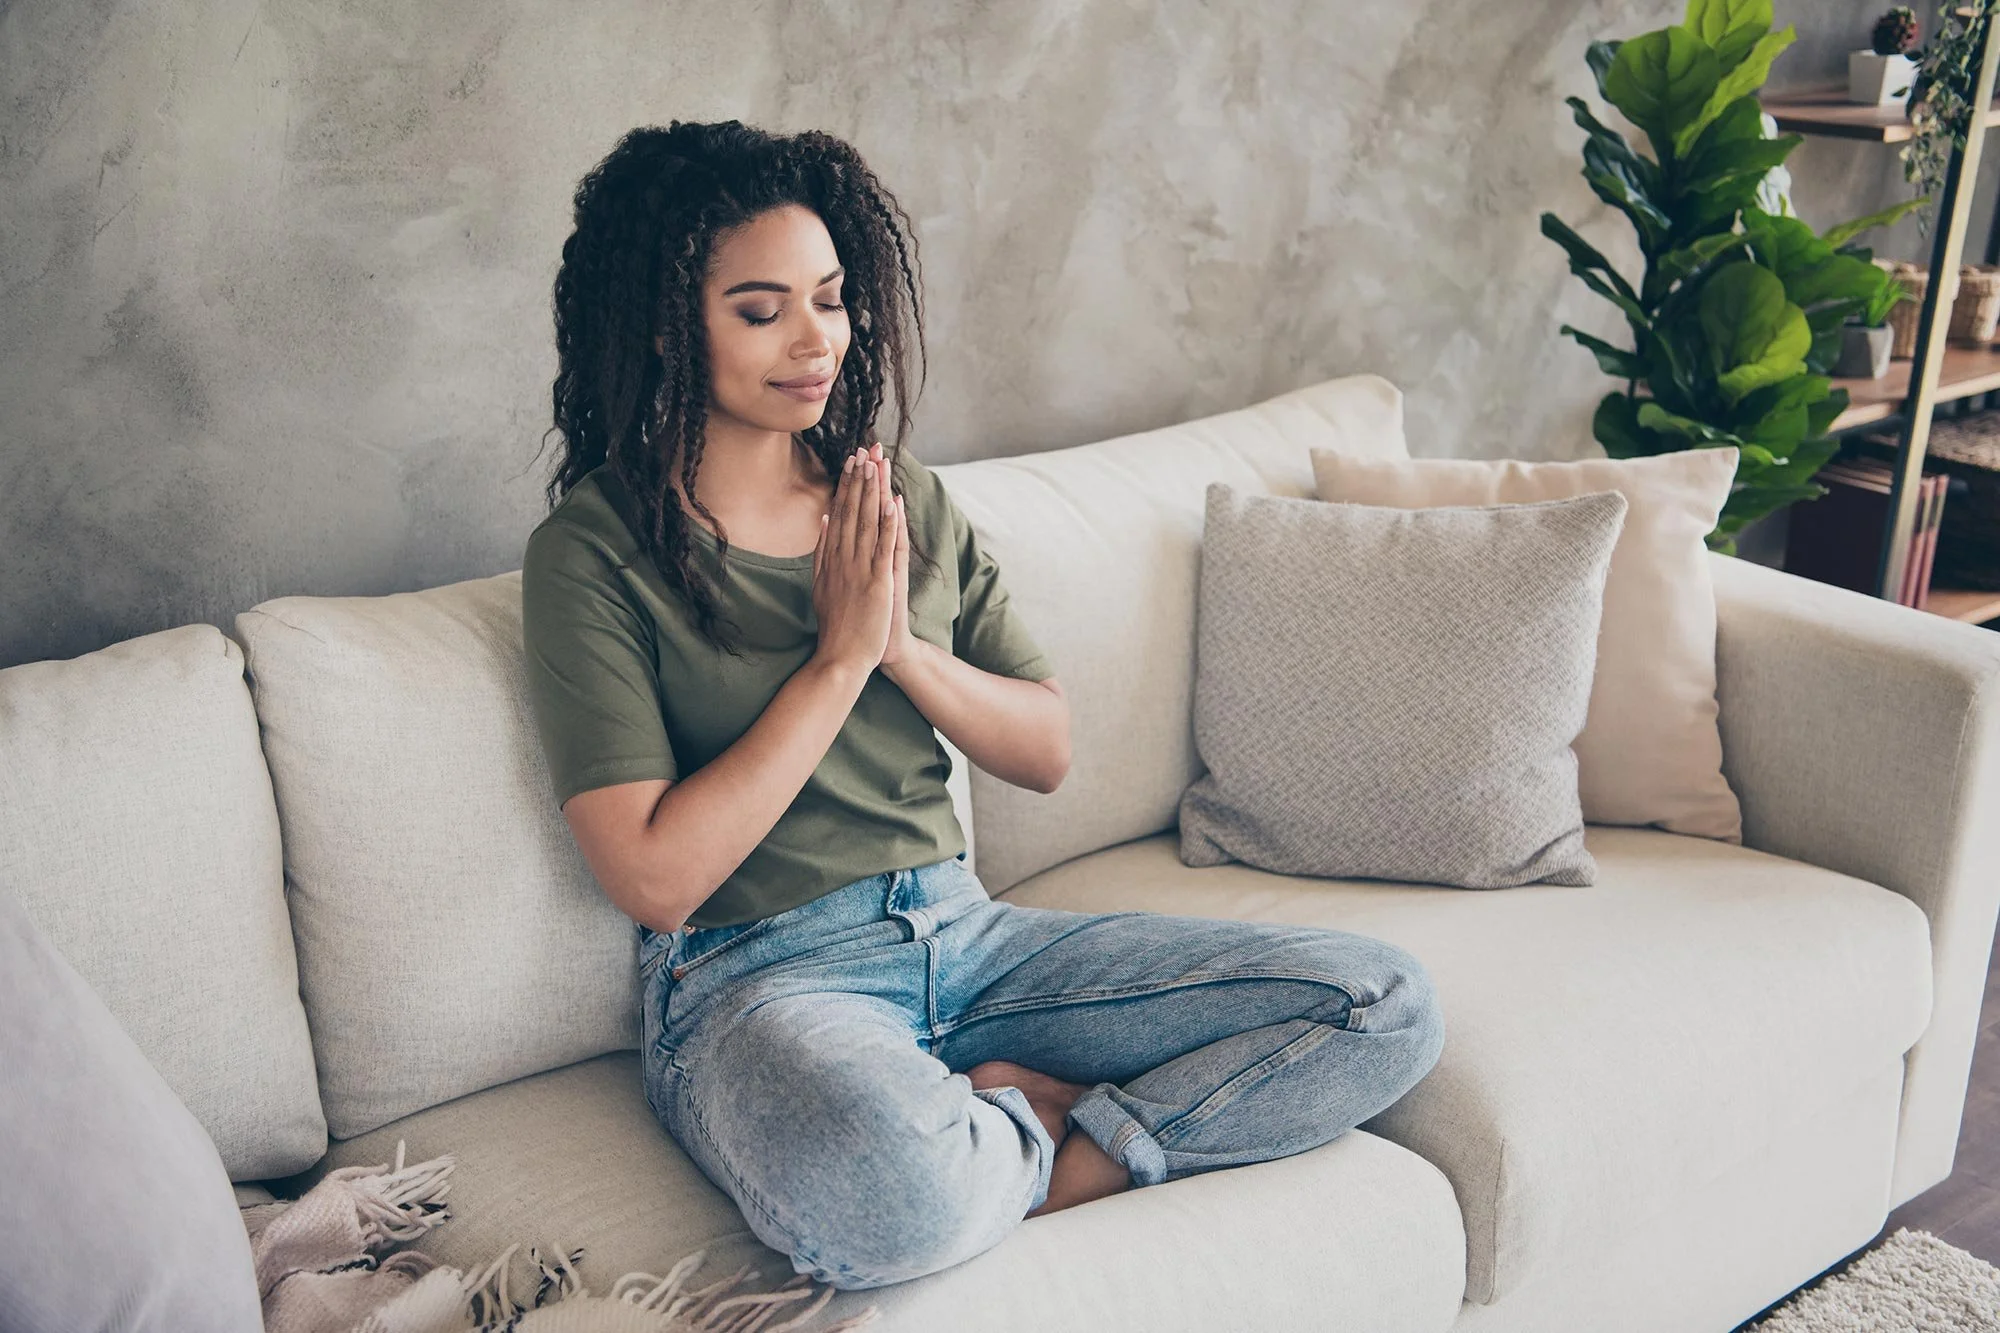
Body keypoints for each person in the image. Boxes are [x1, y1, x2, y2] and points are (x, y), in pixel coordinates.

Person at [519, 120, 1446, 1293]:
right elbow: (654, 878)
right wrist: (836, 661)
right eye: (761, 310)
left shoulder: (896, 496)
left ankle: (1065, 1138)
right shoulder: (593, 554)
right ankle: (1026, 1130)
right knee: (888, 1199)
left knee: (1384, 1004)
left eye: (830, 298)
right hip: (757, 977)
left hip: (967, 934)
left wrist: (900, 645)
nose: (814, 340)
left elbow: (1045, 749)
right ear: (665, 324)